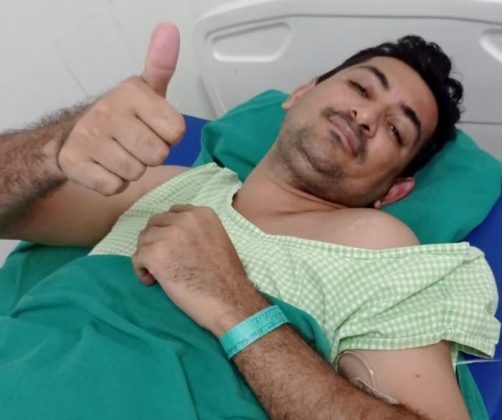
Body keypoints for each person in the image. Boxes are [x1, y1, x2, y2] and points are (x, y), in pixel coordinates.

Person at [0, 22, 497, 419]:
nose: (366, 116)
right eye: (362, 87)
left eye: (396, 128)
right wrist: (53, 148)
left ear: (394, 191)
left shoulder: (377, 246)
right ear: (300, 93)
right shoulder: (173, 185)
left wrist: (234, 305)